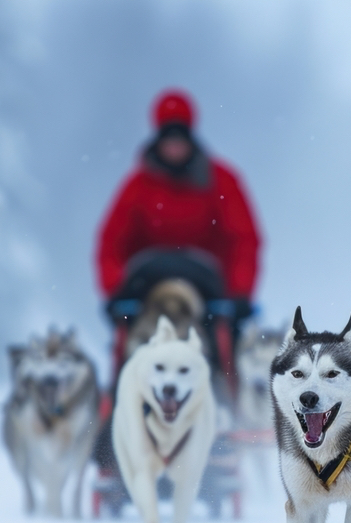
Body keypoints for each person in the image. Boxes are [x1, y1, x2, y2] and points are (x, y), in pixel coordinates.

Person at [95, 88, 262, 344]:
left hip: (207, 293)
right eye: (168, 138)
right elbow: (111, 241)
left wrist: (240, 293)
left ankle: (224, 377)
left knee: (224, 346)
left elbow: (244, 239)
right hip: (147, 290)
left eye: (180, 138)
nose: (174, 146)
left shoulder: (222, 182)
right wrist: (116, 289)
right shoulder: (138, 186)